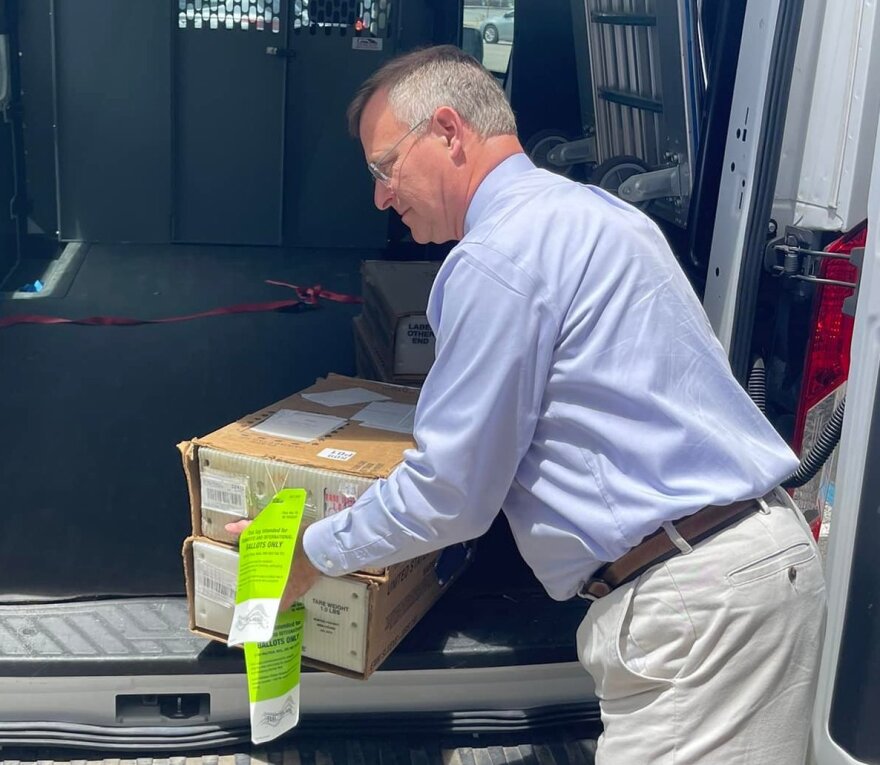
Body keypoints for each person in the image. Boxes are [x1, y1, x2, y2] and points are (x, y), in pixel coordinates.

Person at [228, 45, 826, 764]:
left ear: (448, 131)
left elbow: (453, 493)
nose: (382, 196)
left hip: (694, 598)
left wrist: (310, 554)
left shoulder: (495, 258)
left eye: (385, 169)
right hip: (758, 565)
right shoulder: (599, 215)